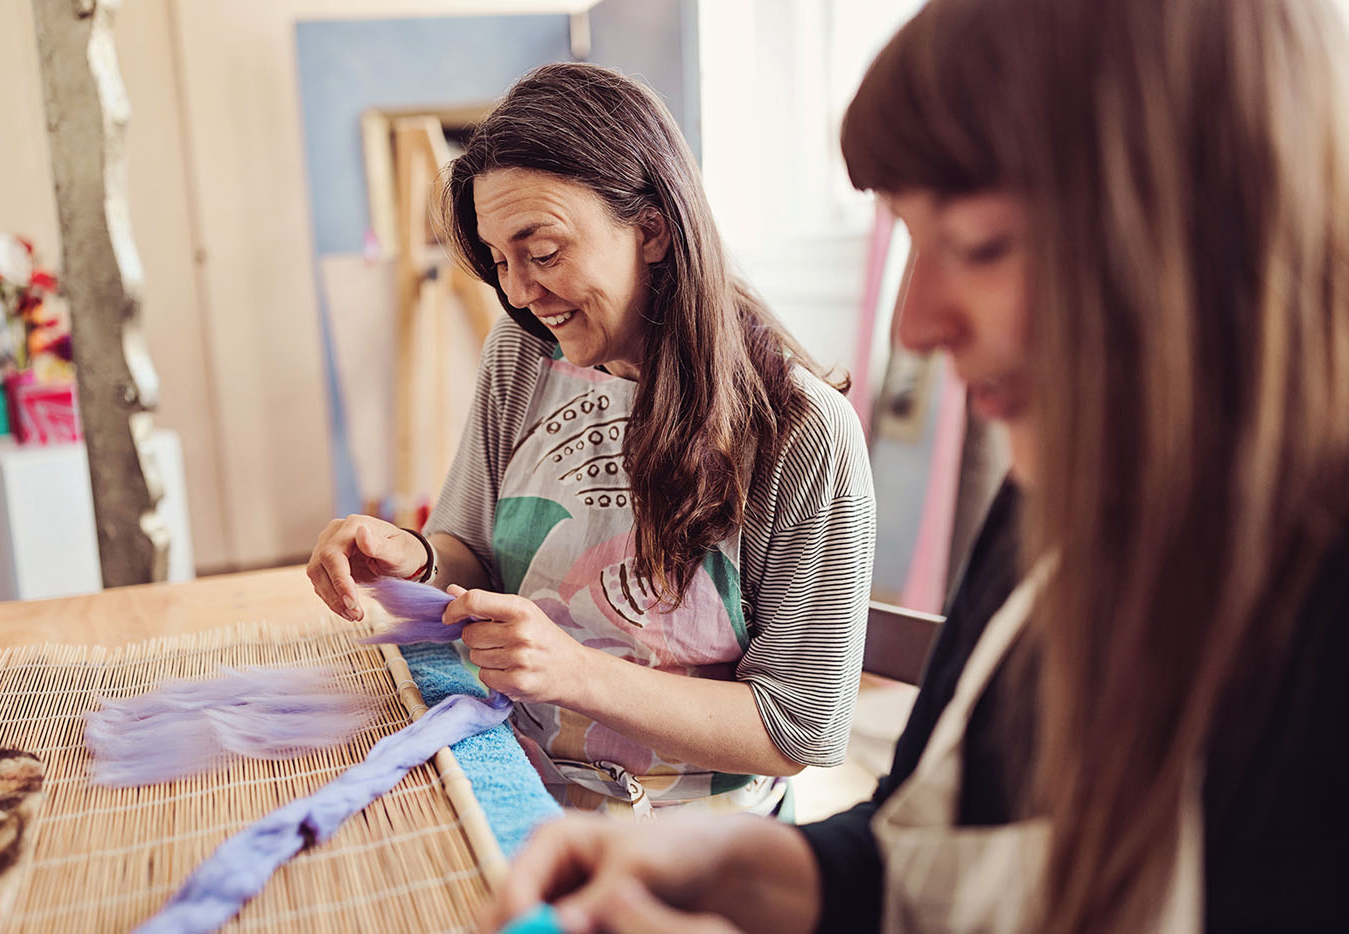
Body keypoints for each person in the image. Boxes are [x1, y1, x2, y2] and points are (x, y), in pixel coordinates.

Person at [483, 0, 1349, 929]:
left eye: (977, 245)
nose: (916, 325)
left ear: (1206, 228)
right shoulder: (1052, 495)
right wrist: (739, 862)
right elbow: (917, 849)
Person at [307, 63, 875, 817]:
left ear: (651, 230)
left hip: (694, 840)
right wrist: (416, 557)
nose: (516, 292)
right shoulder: (521, 356)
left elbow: (797, 728)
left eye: (541, 253)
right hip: (511, 779)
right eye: (500, 261)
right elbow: (467, 549)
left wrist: (575, 674)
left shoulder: (802, 434)